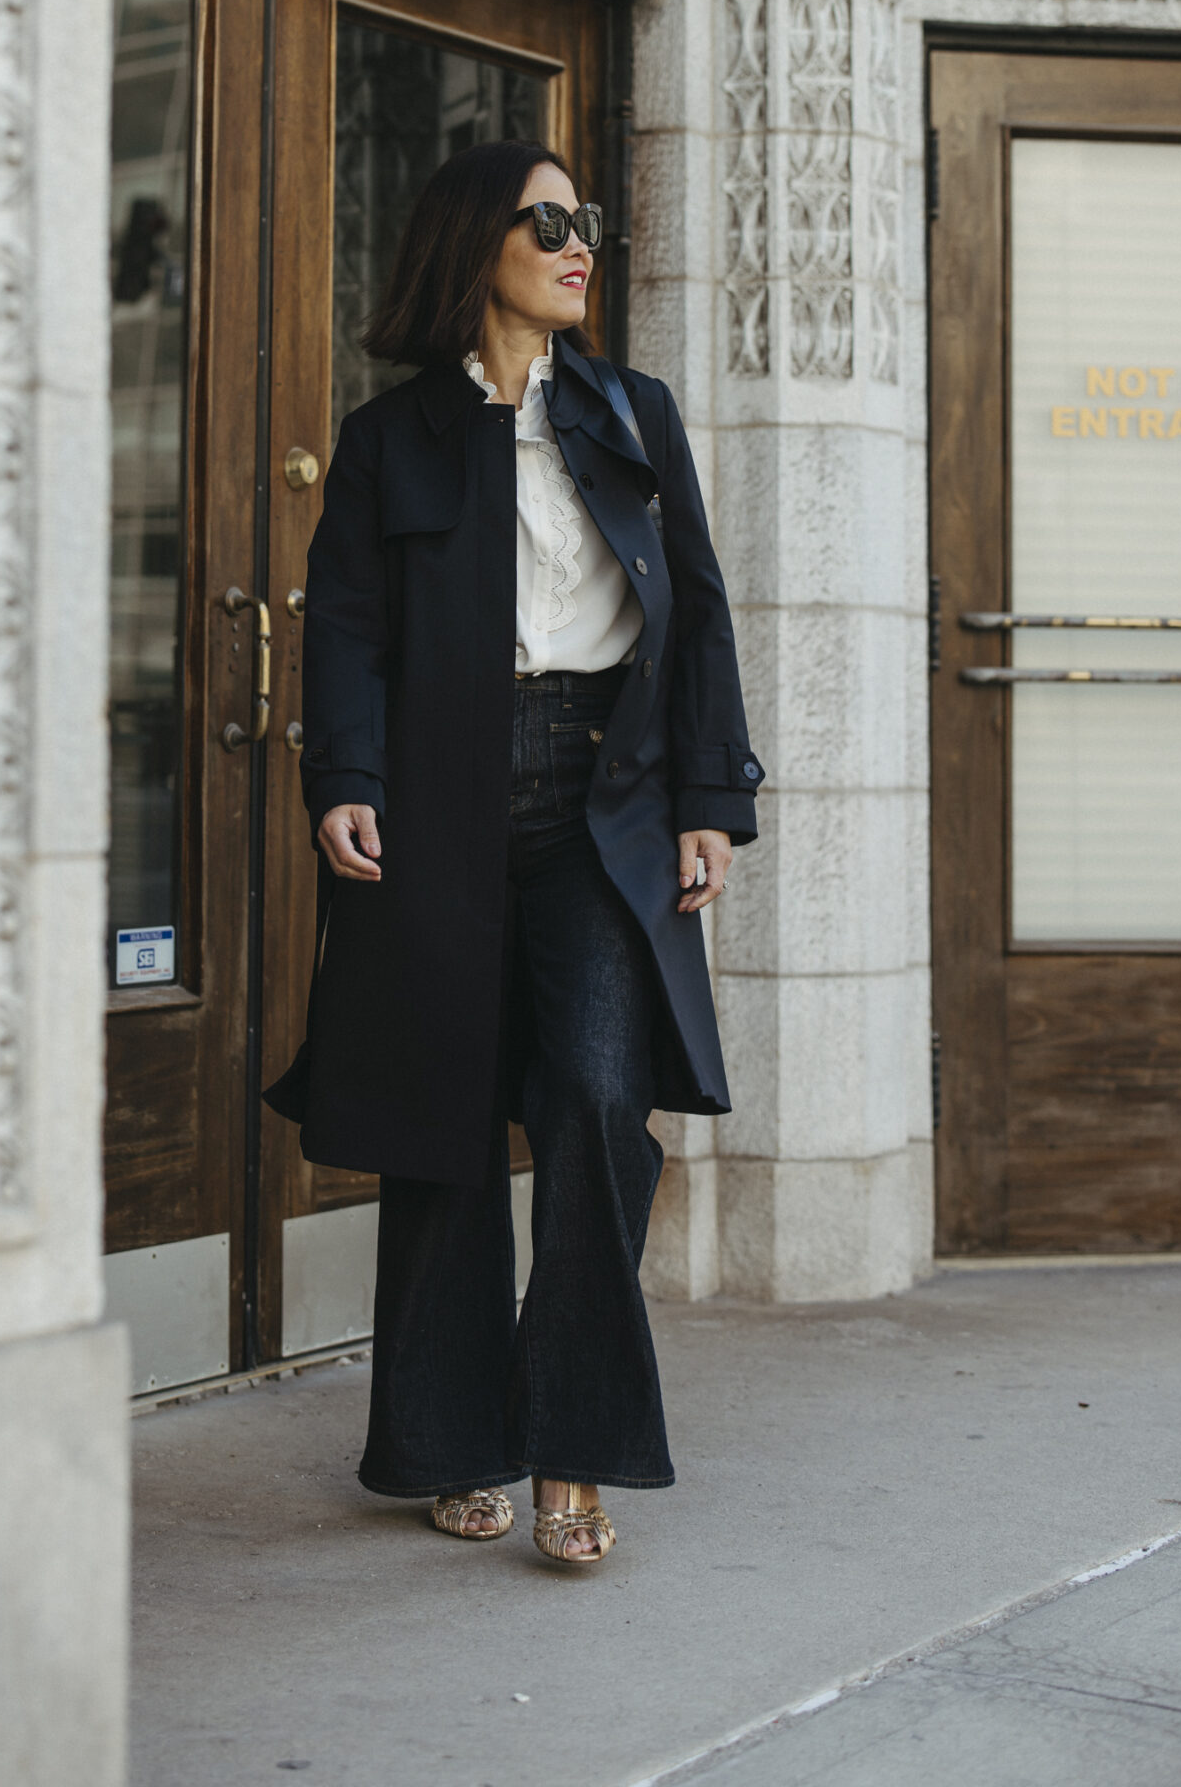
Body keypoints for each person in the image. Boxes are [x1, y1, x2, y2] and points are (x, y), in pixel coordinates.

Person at [265, 139, 763, 1566]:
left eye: (583, 219)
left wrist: (711, 795)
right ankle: (449, 1443)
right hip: (436, 797)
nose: (577, 242)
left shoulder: (633, 411)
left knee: (598, 1101)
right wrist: (344, 776)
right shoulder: (393, 436)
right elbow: (346, 623)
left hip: (602, 795)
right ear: (473, 241)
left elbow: (697, 611)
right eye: (548, 222)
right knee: (444, 1121)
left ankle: (576, 1444)